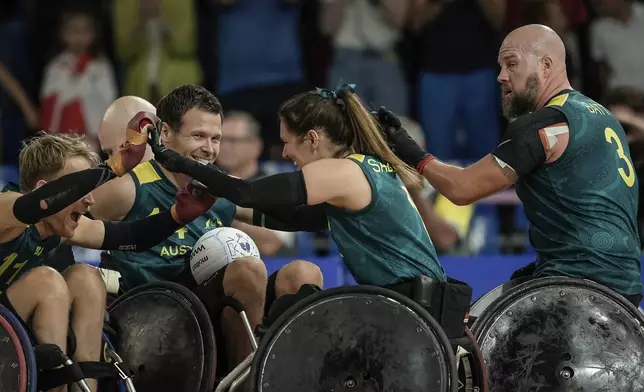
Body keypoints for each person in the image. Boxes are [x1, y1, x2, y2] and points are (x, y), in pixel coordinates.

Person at [148, 84, 474, 340]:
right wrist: (222, 205)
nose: (285, 151)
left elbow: (248, 191)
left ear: (313, 139)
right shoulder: (365, 170)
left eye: (287, 142)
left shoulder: (342, 172)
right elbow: (295, 219)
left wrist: (179, 162)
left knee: (295, 313)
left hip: (407, 313)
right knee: (300, 301)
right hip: (424, 307)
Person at [379, 24, 643, 307]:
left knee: (474, 337)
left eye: (512, 64)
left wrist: (411, 152)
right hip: (626, 282)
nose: (501, 76)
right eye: (500, 66)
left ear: (546, 65)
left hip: (576, 287)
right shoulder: (603, 116)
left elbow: (462, 188)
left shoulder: (543, 125)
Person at [92, 86, 322, 370]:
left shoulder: (217, 185)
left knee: (303, 273)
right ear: (165, 134)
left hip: (211, 310)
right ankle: (246, 382)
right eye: (198, 136)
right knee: (247, 269)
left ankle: (292, 378)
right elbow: (66, 218)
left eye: (216, 139)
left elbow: (292, 219)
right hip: (154, 316)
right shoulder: (130, 188)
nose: (209, 148)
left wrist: (344, 205)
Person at [0, 130, 216, 391]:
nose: (90, 200)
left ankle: (86, 386)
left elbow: (129, 236)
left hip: (12, 336)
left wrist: (176, 216)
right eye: (82, 189)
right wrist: (114, 168)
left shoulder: (58, 227)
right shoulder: (7, 208)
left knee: (85, 277)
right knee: (46, 281)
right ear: (44, 190)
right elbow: (34, 206)